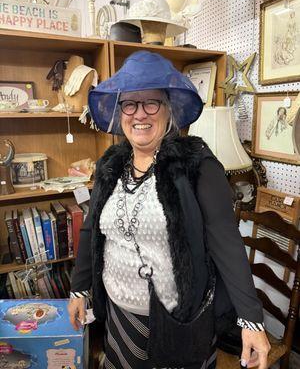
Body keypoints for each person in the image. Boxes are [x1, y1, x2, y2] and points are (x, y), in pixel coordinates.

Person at [68, 50, 270, 369]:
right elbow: (92, 229)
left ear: (169, 110)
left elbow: (228, 244)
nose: (140, 114)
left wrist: (252, 321)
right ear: (120, 111)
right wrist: (79, 288)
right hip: (120, 316)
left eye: (151, 103)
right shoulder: (110, 164)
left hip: (181, 321)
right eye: (130, 103)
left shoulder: (196, 165)